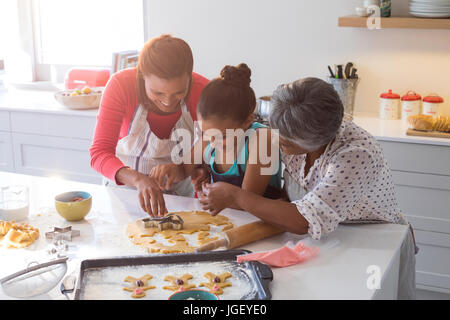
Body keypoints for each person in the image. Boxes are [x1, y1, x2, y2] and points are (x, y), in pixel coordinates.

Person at [199, 77, 417, 299]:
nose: (277, 142)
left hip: (375, 240)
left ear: (315, 143)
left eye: (285, 144)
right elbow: (294, 200)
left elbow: (304, 220)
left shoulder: (356, 154)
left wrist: (237, 195)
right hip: (323, 238)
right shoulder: (291, 130)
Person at [89, 34, 209, 216]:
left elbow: (211, 144)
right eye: (157, 92)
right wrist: (138, 180)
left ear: (189, 78)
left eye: (179, 92)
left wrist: (184, 168)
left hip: (183, 196)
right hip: (126, 190)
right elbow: (99, 154)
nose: (168, 101)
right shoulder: (120, 85)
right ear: (142, 74)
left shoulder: (203, 91)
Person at [150, 63, 282, 215]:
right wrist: (171, 170)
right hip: (229, 220)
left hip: (263, 224)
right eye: (207, 133)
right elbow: (183, 170)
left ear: (247, 121)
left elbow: (249, 200)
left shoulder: (261, 140)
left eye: (223, 136)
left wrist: (210, 196)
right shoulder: (212, 136)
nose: (213, 142)